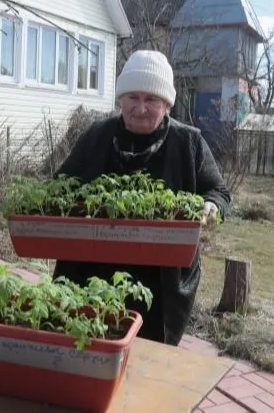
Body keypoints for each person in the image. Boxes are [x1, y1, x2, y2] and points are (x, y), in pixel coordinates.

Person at [52, 49, 231, 346]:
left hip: (160, 278)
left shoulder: (188, 143)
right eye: (133, 97)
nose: (140, 108)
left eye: (151, 99)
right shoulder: (97, 136)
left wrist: (210, 207)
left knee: (150, 352)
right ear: (121, 98)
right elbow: (61, 183)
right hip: (92, 267)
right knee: (88, 340)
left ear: (167, 104)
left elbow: (219, 191)